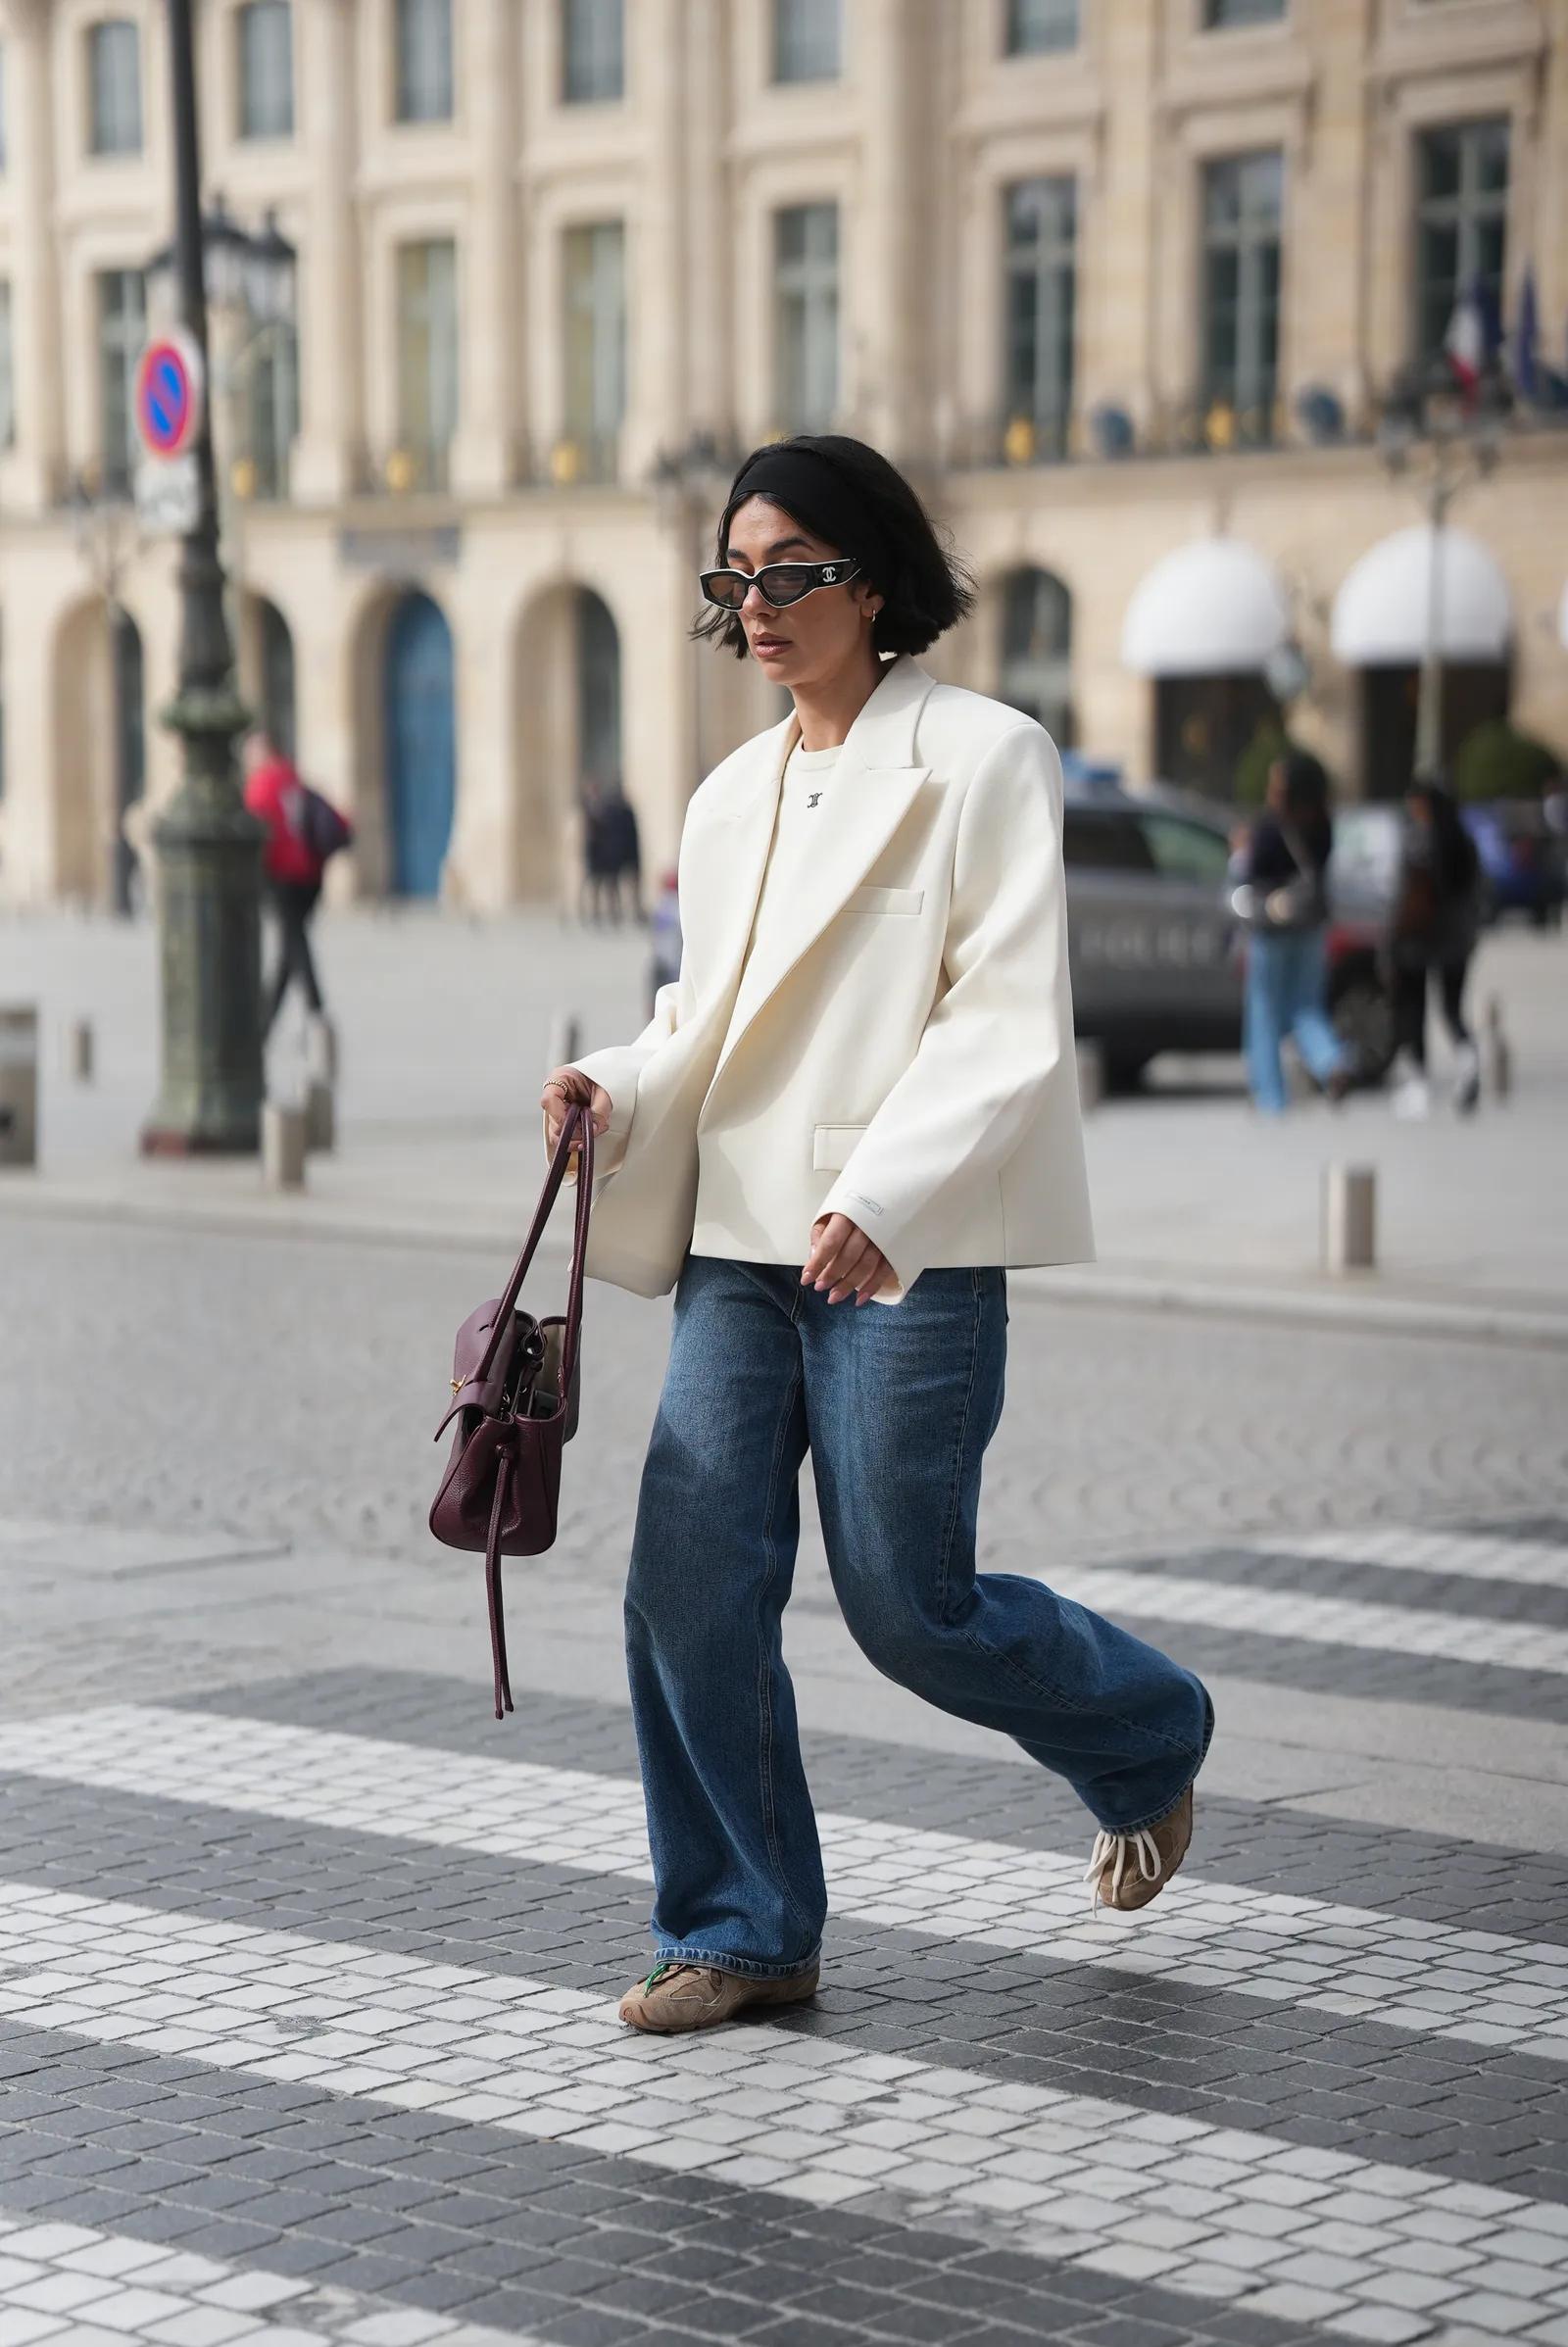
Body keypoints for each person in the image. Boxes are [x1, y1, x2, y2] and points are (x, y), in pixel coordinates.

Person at [539, 433, 1212, 2037]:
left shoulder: (984, 757)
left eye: (791, 572)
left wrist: (883, 1203)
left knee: (914, 1606)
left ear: (874, 577)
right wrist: (614, 1090)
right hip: (737, 1246)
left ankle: (1148, 1736)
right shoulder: (723, 798)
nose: (756, 605)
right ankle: (740, 1923)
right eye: (736, 577)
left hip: (900, 1246)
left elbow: (1005, 1018)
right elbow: (701, 1019)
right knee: (686, 1584)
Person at [1236, 751, 1353, 1116]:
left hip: (1272, 929)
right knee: (1307, 1005)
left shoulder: (1270, 827)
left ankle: (1271, 1096)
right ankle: (1332, 1061)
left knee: (1265, 1010)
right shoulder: (1324, 825)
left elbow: (1252, 875)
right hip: (1310, 925)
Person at [242, 734, 352, 1037]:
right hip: (312, 875)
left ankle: (316, 1013)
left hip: (282, 876)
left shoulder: (262, 784)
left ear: (265, 754)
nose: (248, 760)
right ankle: (265, 1023)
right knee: (291, 945)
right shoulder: (293, 778)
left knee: (295, 943)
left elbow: (252, 829)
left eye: (252, 753)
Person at [1387, 774, 1482, 1118]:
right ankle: (1469, 1063)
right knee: (1453, 1010)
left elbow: (1403, 894)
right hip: (1458, 940)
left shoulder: (1419, 842)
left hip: (1418, 940)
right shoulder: (1464, 842)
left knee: (1414, 1010)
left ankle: (1418, 1086)